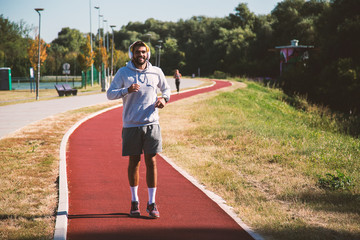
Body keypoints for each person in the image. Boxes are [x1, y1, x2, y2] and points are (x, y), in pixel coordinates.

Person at [107, 40, 171, 218]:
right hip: (131, 125)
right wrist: (126, 90)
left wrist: (164, 100)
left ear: (147, 54)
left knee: (152, 162)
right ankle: (134, 202)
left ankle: (151, 203)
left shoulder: (156, 71)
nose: (140, 55)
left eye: (143, 52)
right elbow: (110, 93)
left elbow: (166, 90)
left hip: (151, 124)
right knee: (134, 162)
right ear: (131, 54)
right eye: (137, 52)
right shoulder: (123, 72)